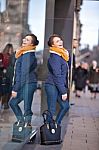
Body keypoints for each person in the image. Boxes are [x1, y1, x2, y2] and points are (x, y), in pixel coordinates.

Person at [9, 34, 39, 127]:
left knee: (27, 107)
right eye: (24, 38)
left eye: (27, 39)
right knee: (13, 103)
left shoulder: (28, 55)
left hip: (28, 83)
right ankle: (22, 122)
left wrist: (15, 89)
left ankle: (27, 126)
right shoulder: (23, 53)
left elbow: (23, 74)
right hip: (24, 83)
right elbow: (16, 67)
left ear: (32, 43)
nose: (24, 40)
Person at [45, 34, 70, 125]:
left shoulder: (62, 55)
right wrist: (63, 91)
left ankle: (56, 124)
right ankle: (48, 129)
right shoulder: (54, 57)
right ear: (52, 45)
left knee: (65, 106)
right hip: (52, 85)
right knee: (51, 109)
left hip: (58, 85)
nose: (60, 42)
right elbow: (57, 75)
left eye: (60, 40)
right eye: (57, 41)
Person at [1, 43, 16, 109]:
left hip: (11, 74)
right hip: (3, 74)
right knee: (3, 89)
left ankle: (6, 103)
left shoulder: (13, 56)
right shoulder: (2, 55)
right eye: (9, 49)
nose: (10, 50)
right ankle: (3, 102)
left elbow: (13, 64)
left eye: (11, 49)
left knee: (9, 89)